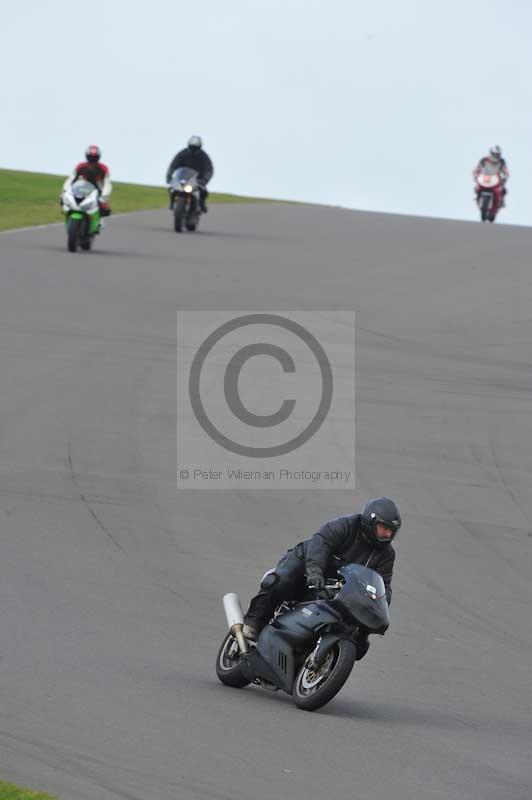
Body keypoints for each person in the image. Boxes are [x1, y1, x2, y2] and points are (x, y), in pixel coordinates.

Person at [243, 497, 401, 661]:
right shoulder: (346, 526)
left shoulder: (387, 555)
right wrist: (314, 571)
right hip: (307, 562)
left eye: (391, 531)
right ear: (370, 521)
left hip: (337, 585)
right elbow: (321, 543)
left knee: (357, 636)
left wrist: (378, 609)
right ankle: (254, 621)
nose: (387, 534)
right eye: (384, 528)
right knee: (282, 581)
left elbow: (383, 584)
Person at [61, 145, 112, 218]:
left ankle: (98, 221)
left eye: (94, 158)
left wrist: (104, 197)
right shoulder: (80, 166)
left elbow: (107, 184)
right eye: (90, 157)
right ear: (87, 157)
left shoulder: (103, 168)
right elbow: (71, 179)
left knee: (105, 209)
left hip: (98, 191)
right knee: (66, 200)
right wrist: (64, 191)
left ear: (98, 158)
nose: (92, 160)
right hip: (82, 189)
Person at [166, 136, 214, 212]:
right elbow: (173, 165)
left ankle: (201, 204)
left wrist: (205, 179)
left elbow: (209, 169)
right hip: (182, 177)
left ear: (199, 147)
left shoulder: (204, 156)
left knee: (203, 191)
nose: (193, 150)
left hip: (197, 179)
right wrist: (169, 176)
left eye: (195, 148)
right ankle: (172, 202)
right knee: (171, 189)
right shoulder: (183, 153)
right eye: (192, 147)